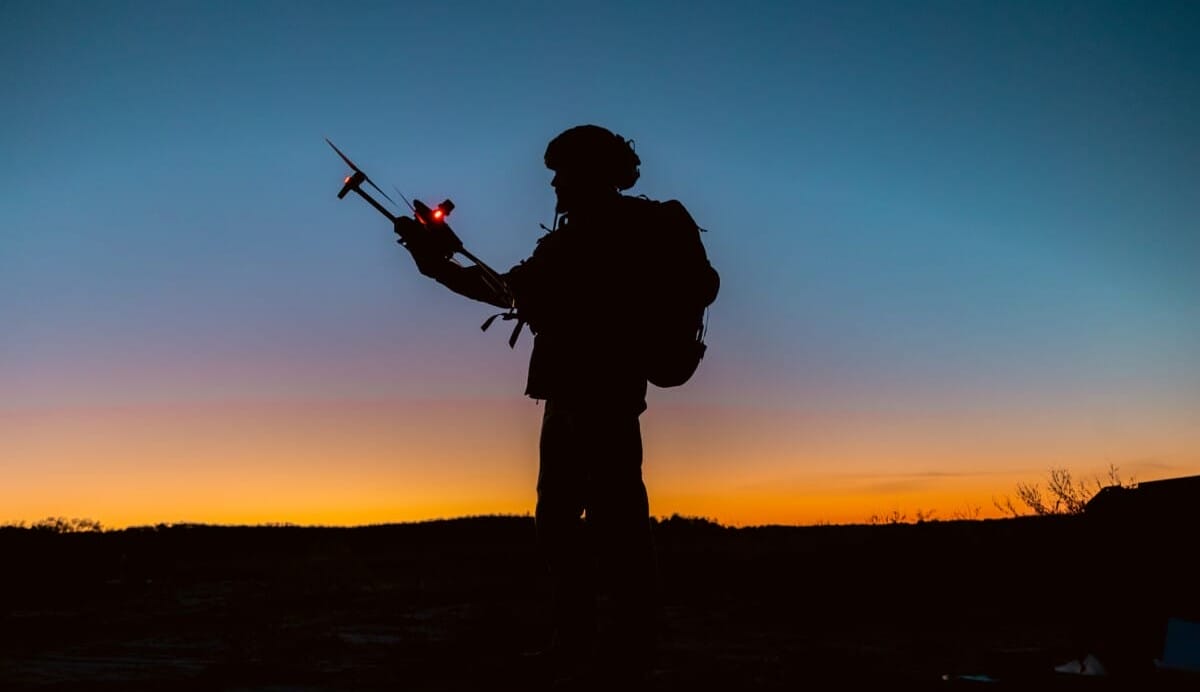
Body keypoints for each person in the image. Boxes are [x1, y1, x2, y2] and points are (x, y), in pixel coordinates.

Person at [395, 124, 718, 685]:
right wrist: (437, 262)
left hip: (604, 394)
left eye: (561, 172)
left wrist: (440, 262)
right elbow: (512, 290)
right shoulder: (572, 239)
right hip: (568, 394)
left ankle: (623, 655)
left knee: (613, 525)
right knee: (563, 525)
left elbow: (515, 291)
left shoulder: (615, 233)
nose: (553, 184)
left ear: (589, 174)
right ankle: (582, 645)